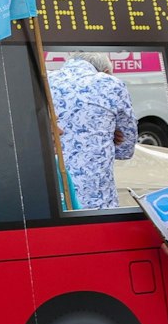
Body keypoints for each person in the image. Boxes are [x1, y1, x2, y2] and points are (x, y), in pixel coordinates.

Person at [47, 52, 138, 210]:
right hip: (97, 197)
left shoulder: (45, 79)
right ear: (106, 72)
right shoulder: (111, 84)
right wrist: (106, 135)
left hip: (54, 194)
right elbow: (126, 148)